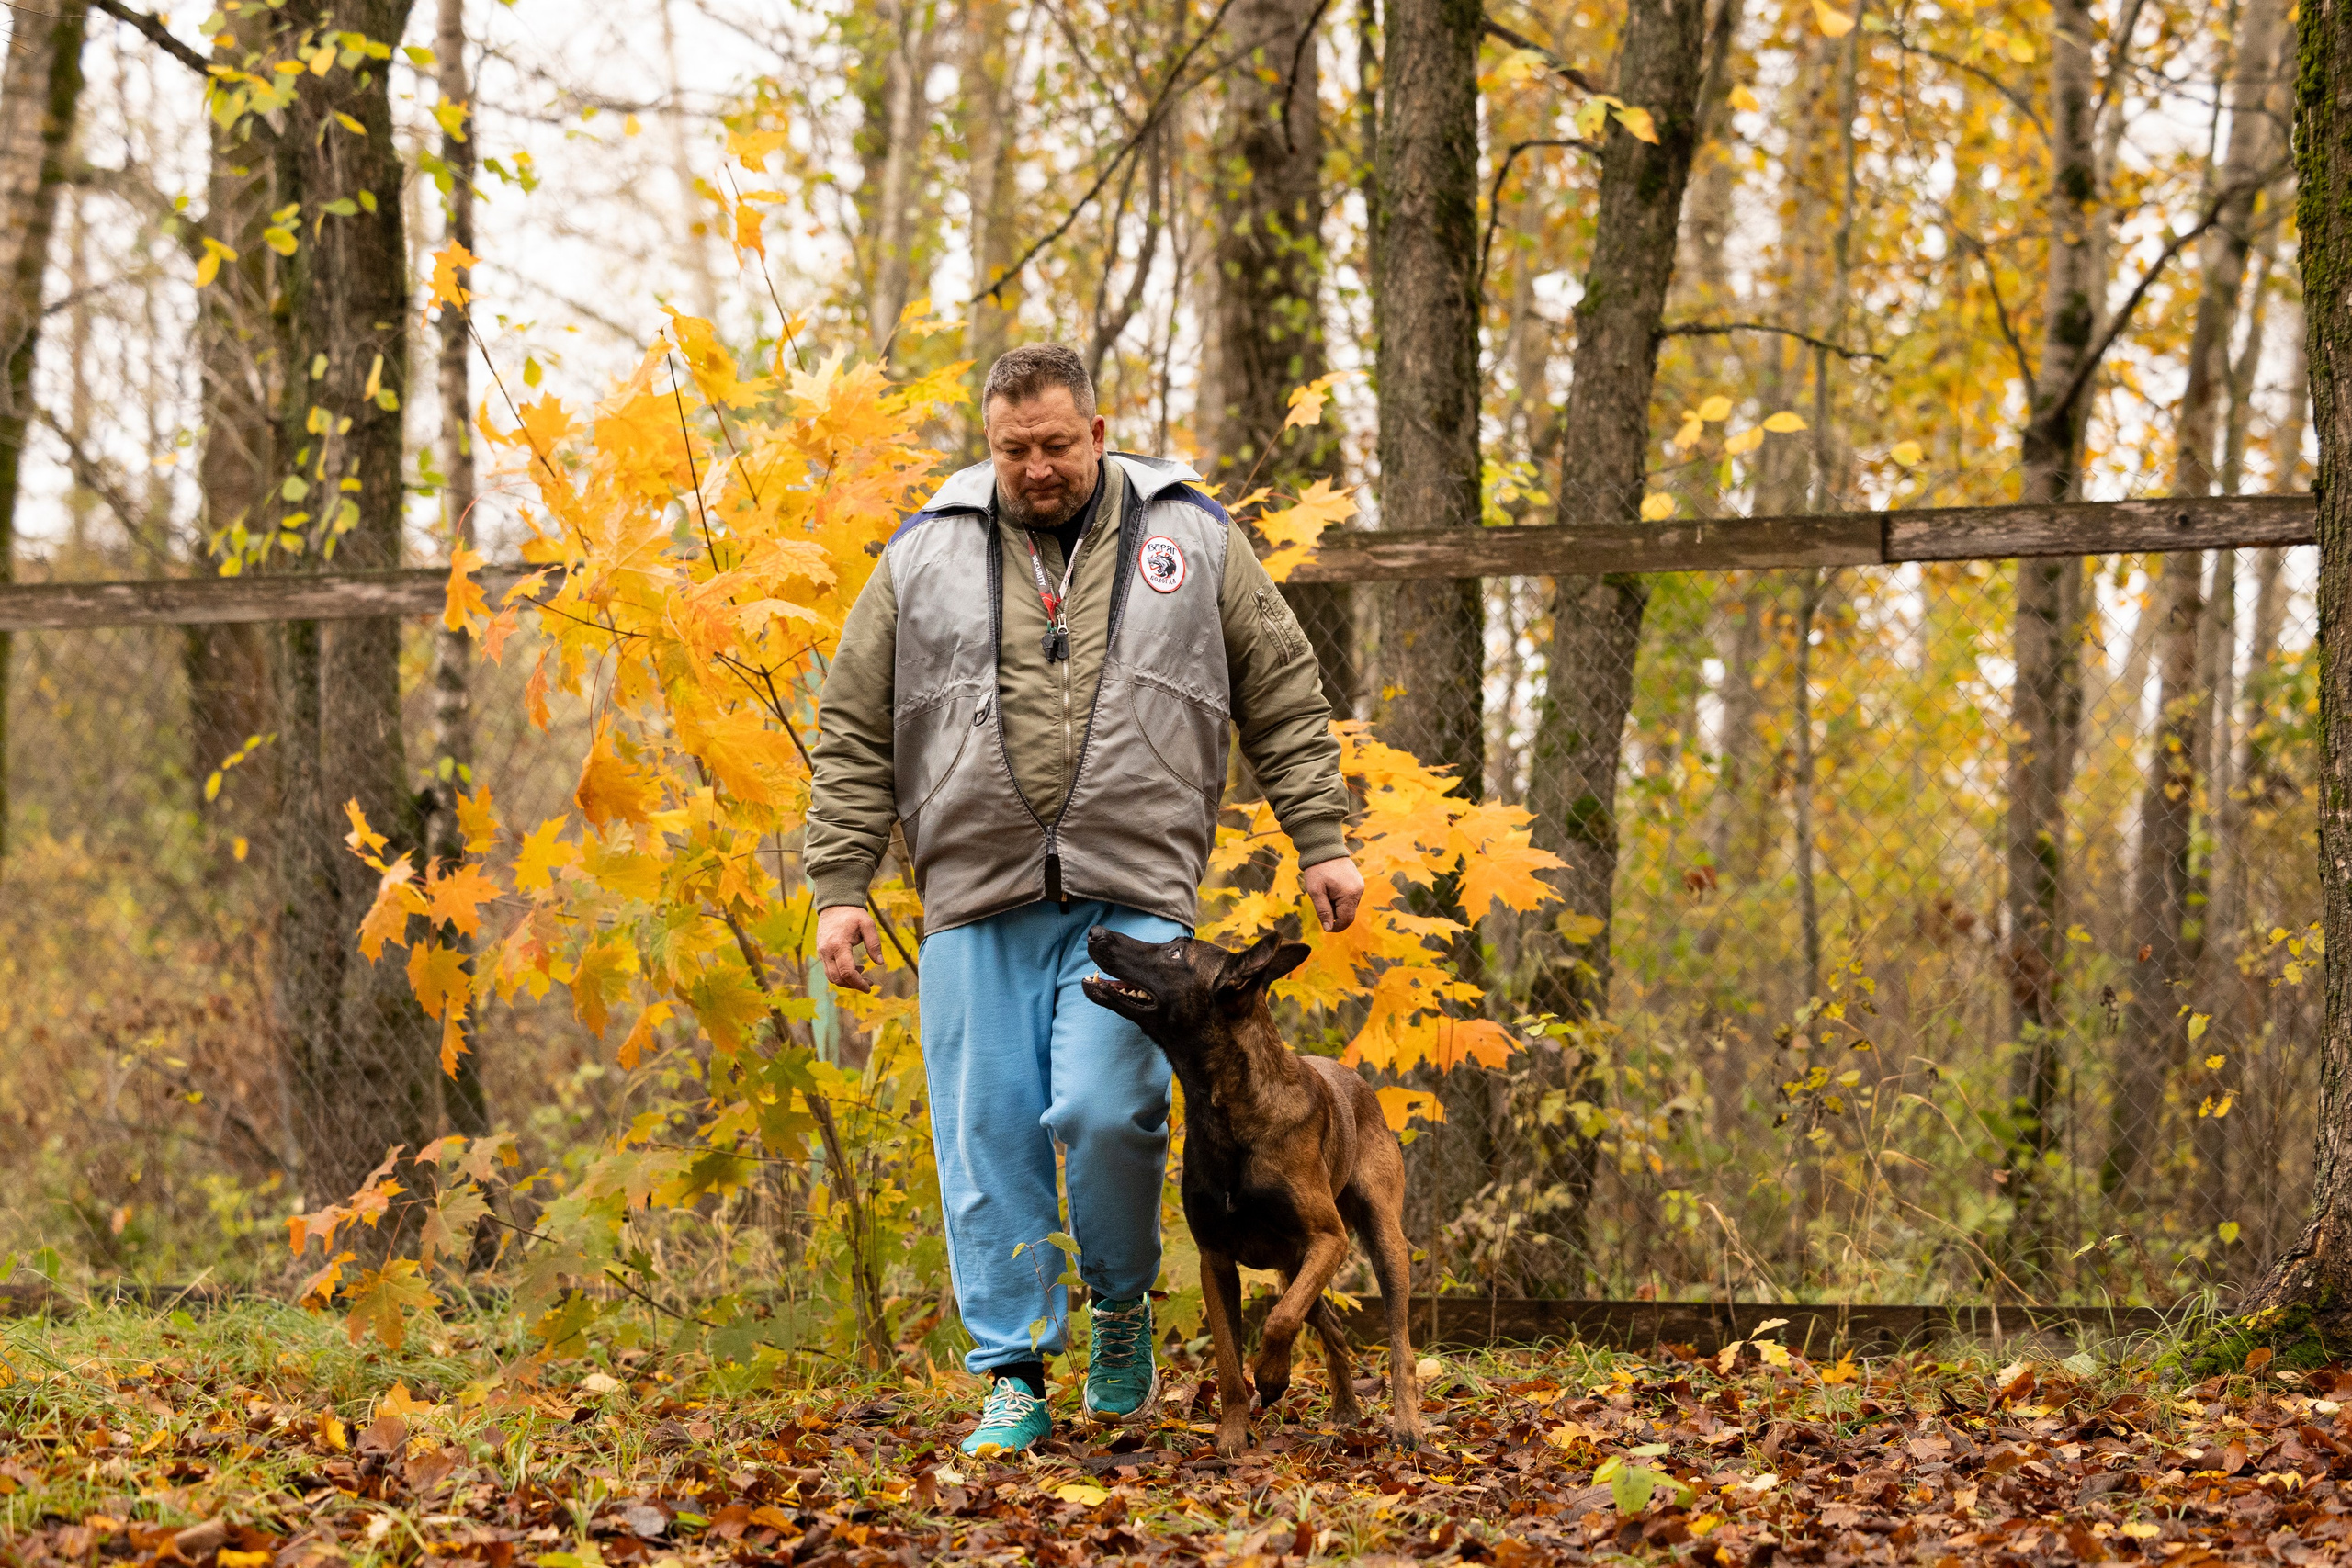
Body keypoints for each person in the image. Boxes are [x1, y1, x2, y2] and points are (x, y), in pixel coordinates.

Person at [805, 344, 1363, 1456]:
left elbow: (1281, 688)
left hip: (1138, 889)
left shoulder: (1189, 535)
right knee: (988, 1134)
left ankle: (1118, 1315)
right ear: (991, 444)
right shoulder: (924, 553)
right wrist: (839, 885)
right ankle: (1012, 1370)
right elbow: (855, 722)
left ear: (1099, 434)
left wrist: (1321, 837)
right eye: (1014, 449)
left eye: (1057, 444)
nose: (1037, 468)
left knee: (1110, 1115)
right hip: (973, 894)